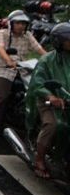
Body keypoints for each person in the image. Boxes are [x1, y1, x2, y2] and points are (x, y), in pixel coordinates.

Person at [25, 23, 70, 178]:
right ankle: (39, 159)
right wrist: (51, 96)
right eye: (68, 40)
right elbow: (37, 83)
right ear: (59, 42)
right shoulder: (47, 60)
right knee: (54, 125)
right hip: (49, 101)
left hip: (68, 101)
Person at [0, 9, 47, 130]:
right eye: (18, 23)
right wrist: (8, 60)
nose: (20, 26)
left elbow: (39, 49)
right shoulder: (3, 33)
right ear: (11, 23)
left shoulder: (27, 35)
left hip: (23, 69)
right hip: (4, 69)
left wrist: (51, 59)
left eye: (23, 23)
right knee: (3, 96)